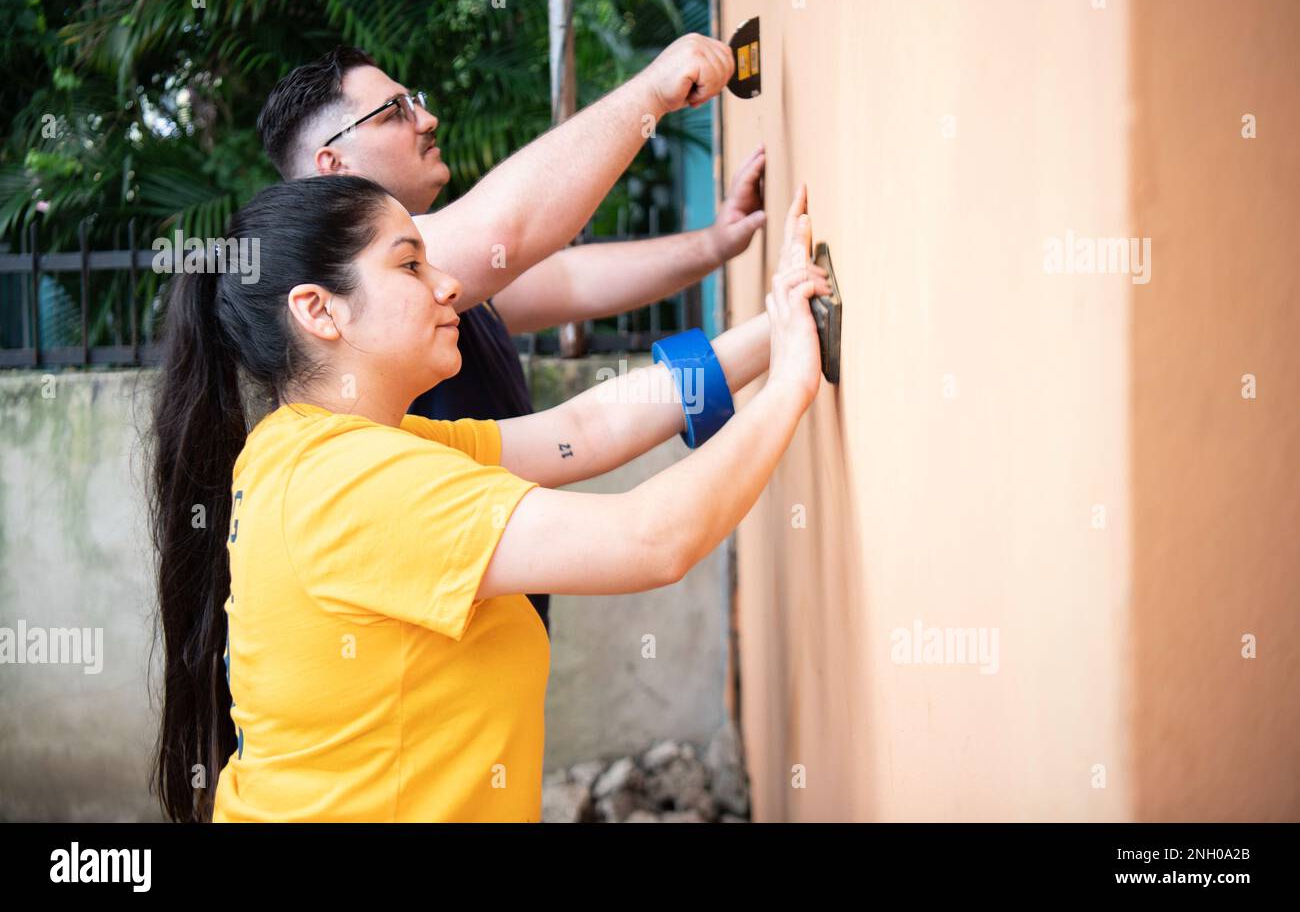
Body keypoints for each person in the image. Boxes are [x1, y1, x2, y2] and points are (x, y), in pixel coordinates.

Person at [146, 173, 828, 822]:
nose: (448, 285)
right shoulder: (348, 483)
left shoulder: (318, 447)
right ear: (319, 309)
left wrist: (779, 326)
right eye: (409, 265)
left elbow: (580, 432)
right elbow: (652, 540)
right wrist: (790, 386)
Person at [256, 40, 768, 634]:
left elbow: (572, 308)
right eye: (395, 111)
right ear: (332, 166)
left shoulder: (426, 300)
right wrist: (655, 89)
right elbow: (511, 233)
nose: (427, 119)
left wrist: (719, 247)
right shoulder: (369, 298)